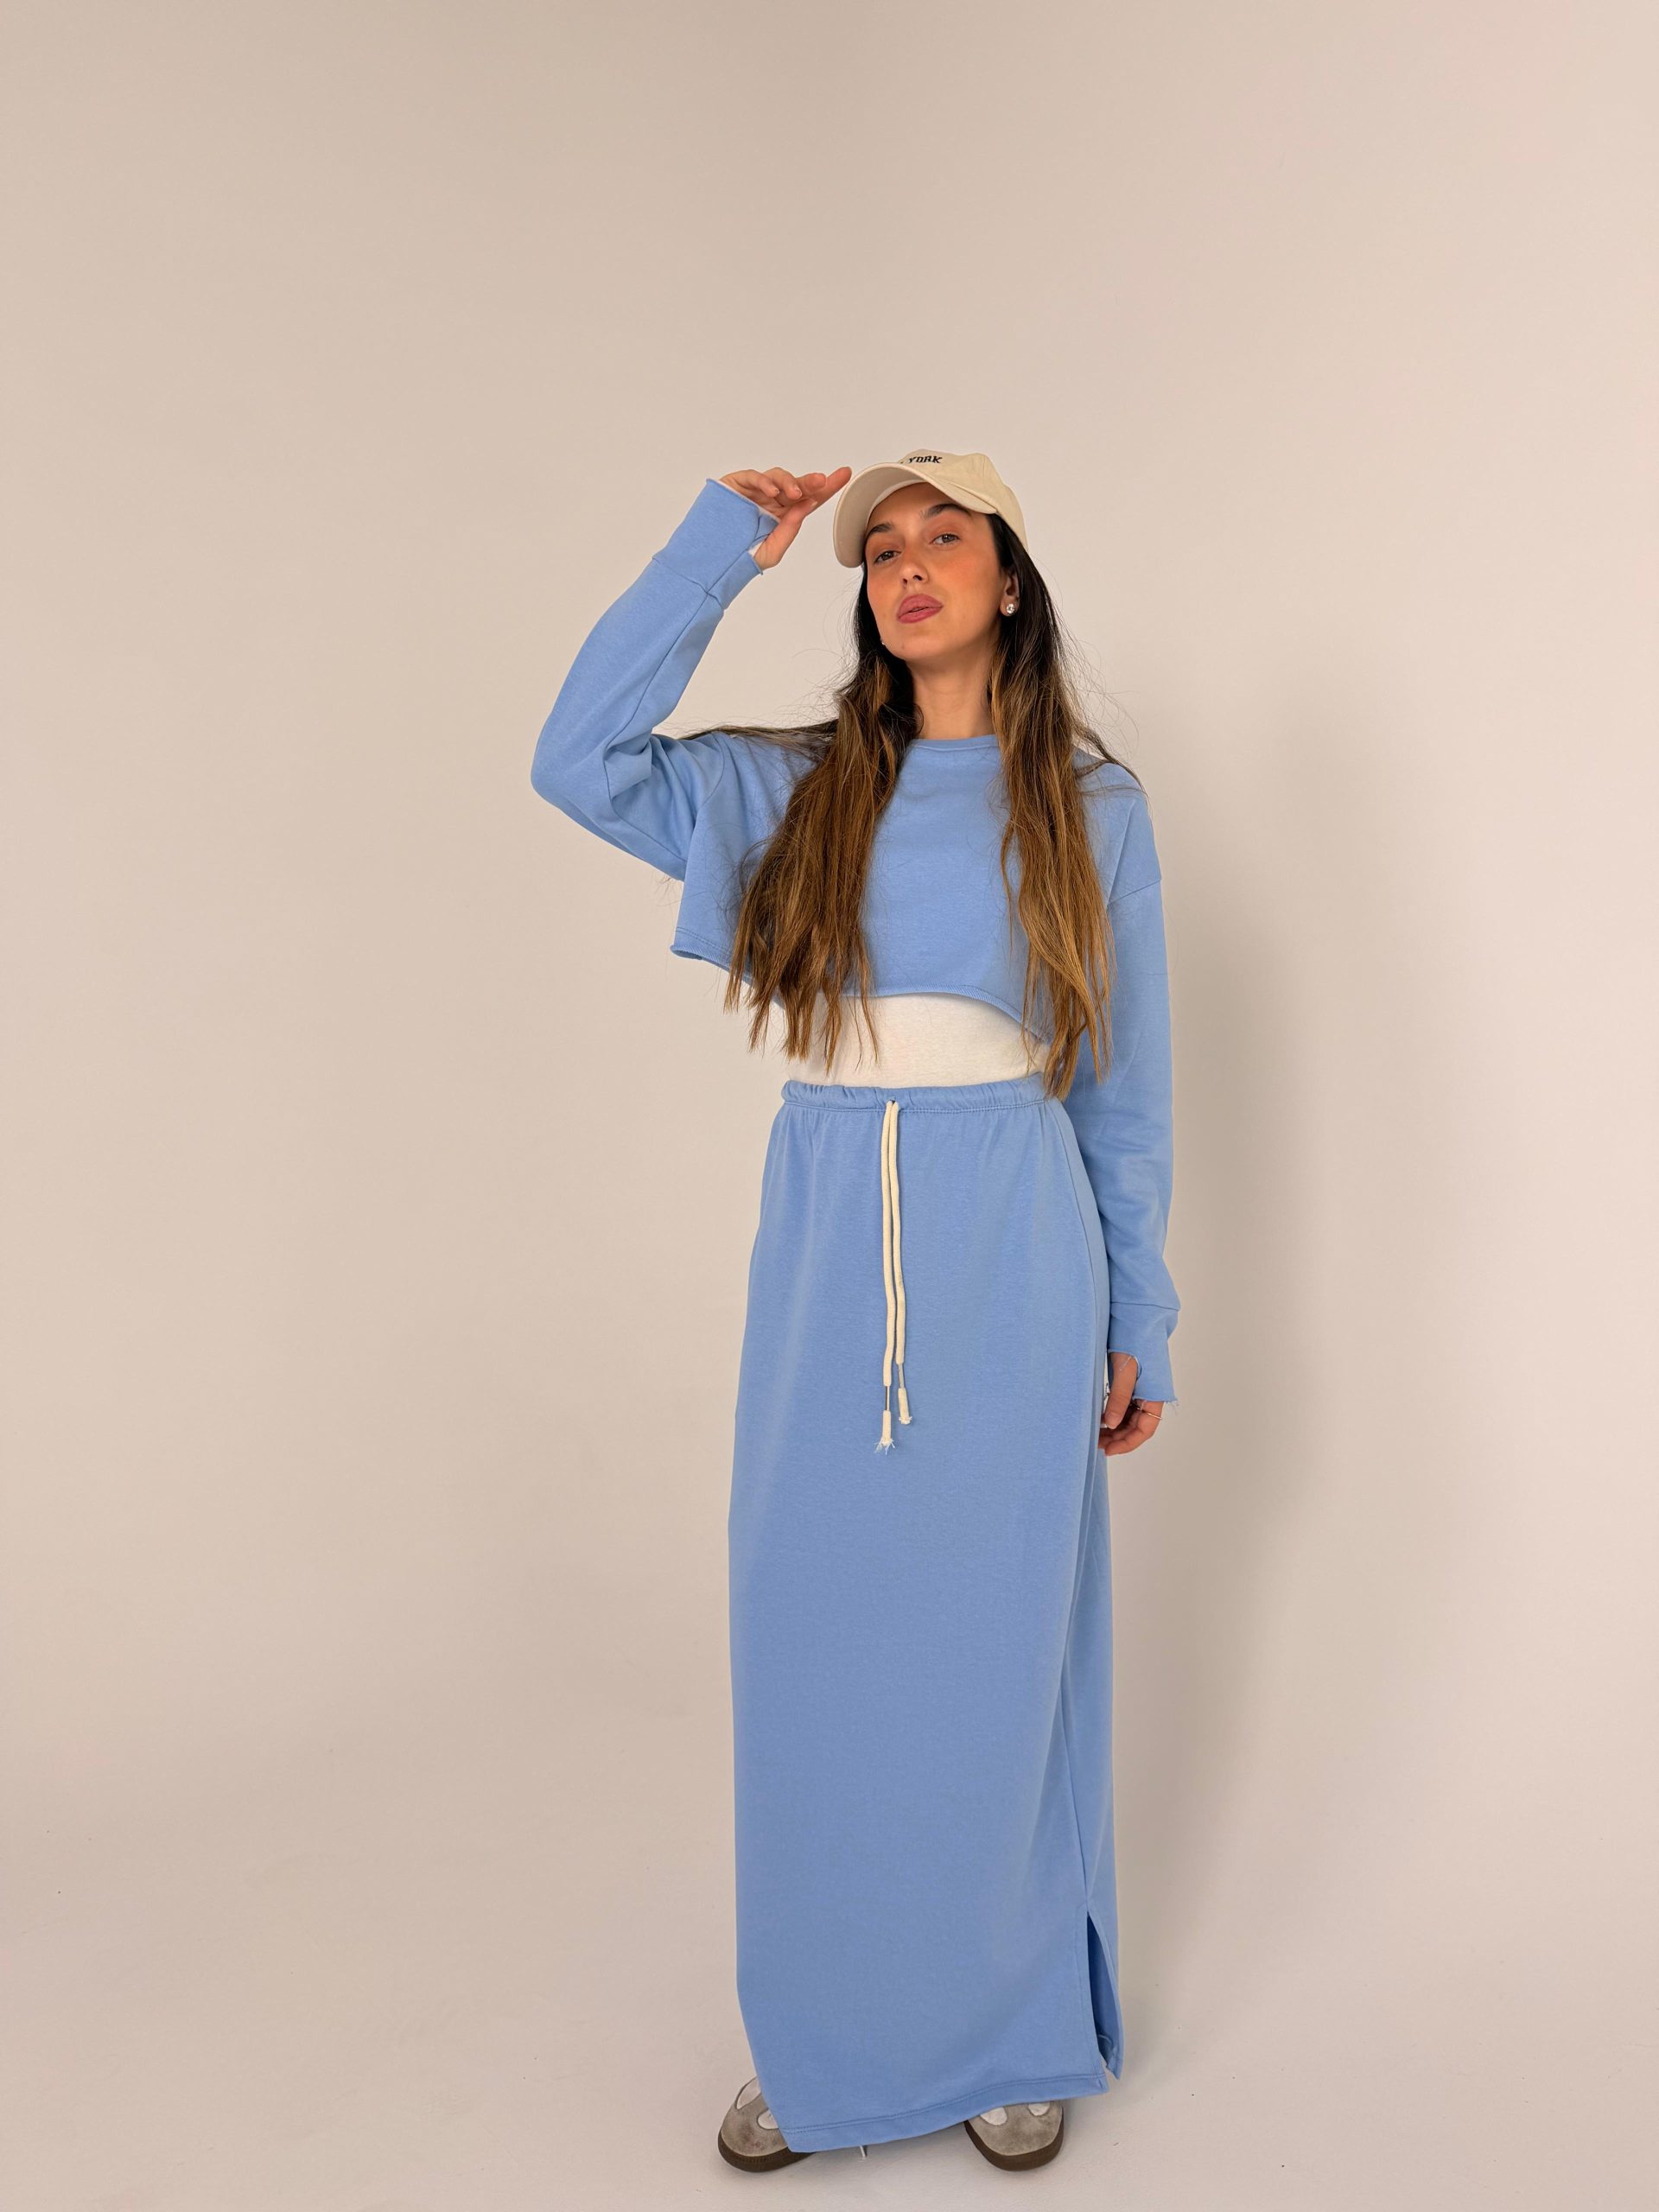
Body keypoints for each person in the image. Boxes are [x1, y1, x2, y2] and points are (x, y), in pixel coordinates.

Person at [530, 450, 1179, 2172]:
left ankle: (1012, 2027)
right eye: (879, 547)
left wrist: (1143, 1310)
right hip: (831, 1222)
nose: (906, 566)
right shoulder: (796, 788)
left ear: (1010, 578)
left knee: (1001, 1643)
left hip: (1015, 1233)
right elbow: (575, 758)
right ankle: (825, 2040)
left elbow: (1124, 1084)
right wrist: (715, 552)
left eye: (943, 536)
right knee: (813, 1638)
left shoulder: (1092, 806)